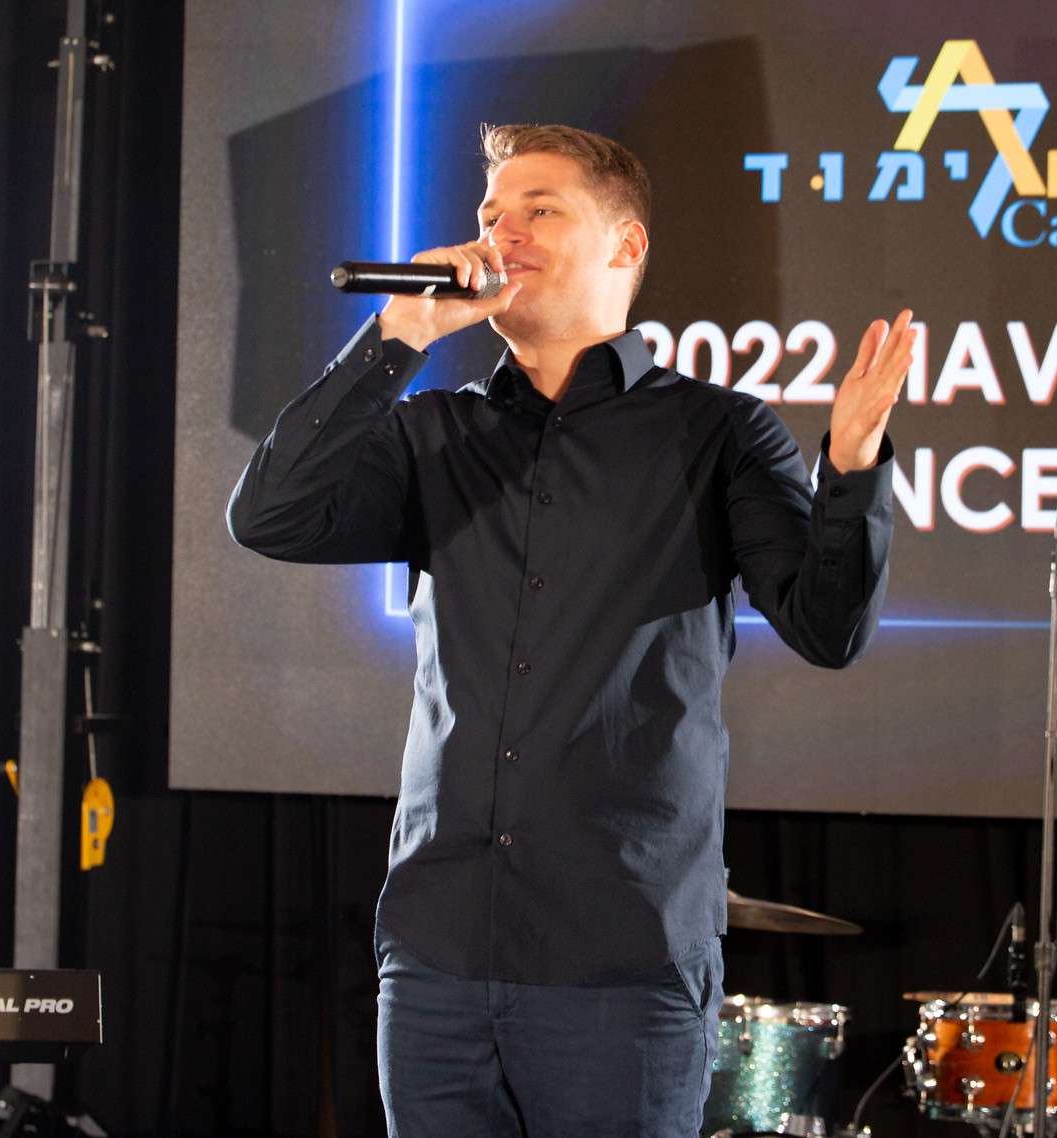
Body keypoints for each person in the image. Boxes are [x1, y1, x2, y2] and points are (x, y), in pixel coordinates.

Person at [228, 123, 916, 1137]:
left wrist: (850, 468)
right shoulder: (434, 433)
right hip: (436, 957)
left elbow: (826, 625)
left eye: (539, 209)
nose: (502, 233)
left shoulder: (716, 432)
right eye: (489, 216)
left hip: (618, 966)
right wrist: (395, 339)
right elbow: (270, 515)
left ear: (625, 247)